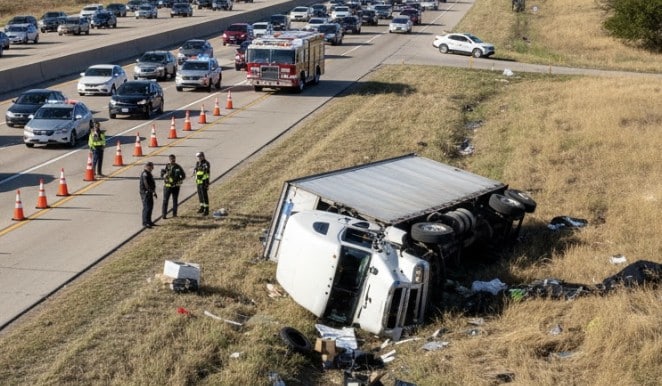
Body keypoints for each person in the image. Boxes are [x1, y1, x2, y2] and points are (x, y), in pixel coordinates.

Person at [160, 154, 186, 219]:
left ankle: (174, 214)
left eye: (173, 159)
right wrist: (163, 175)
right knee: (165, 200)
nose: (172, 160)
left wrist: (180, 181)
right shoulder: (167, 166)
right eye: (171, 159)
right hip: (167, 187)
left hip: (175, 187)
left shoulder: (178, 167)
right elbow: (162, 174)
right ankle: (164, 215)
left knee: (175, 200)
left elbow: (183, 176)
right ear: (169, 159)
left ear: (175, 159)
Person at [139, 162, 157, 228]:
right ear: (148, 166)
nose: (152, 168)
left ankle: (149, 221)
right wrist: (152, 191)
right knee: (146, 208)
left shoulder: (148, 173)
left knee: (150, 207)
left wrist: (153, 191)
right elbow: (147, 185)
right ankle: (145, 222)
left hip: (149, 192)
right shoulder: (145, 174)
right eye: (151, 167)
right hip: (145, 193)